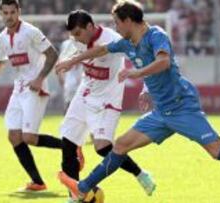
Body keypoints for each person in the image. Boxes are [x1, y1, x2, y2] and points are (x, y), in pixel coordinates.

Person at [55, 1, 220, 203]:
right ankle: (83, 188)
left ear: (128, 21)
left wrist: (138, 74)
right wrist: (71, 61)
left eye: (117, 22)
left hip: (182, 106)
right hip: (161, 113)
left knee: (217, 151)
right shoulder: (127, 43)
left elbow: (164, 62)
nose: (115, 27)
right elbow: (100, 50)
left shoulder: (156, 35)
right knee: (120, 145)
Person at [0, 0, 78, 192]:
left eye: (12, 12)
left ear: (18, 12)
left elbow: (52, 54)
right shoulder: (2, 38)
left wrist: (40, 78)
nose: (9, 16)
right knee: (14, 136)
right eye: (5, 13)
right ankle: (38, 182)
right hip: (19, 88)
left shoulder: (31, 31)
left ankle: (72, 147)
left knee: (29, 137)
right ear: (0, 13)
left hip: (35, 88)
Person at [56, 10, 156, 202]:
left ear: (90, 27)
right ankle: (75, 196)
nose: (75, 38)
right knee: (67, 143)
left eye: (78, 33)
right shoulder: (78, 40)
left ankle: (141, 174)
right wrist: (65, 63)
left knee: (102, 148)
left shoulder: (113, 39)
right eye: (72, 35)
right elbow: (80, 53)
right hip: (85, 93)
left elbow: (142, 58)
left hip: (107, 100)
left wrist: (146, 87)